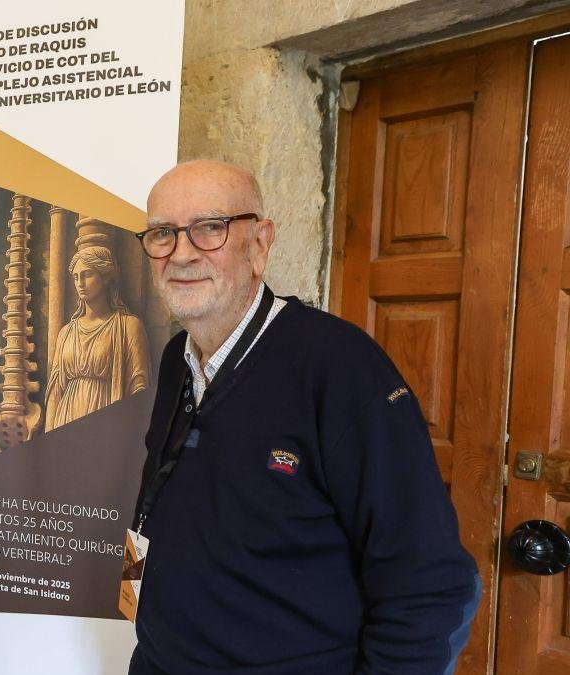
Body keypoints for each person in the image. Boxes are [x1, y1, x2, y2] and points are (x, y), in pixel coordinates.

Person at [129, 160, 479, 675]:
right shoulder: (177, 358)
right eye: (163, 233)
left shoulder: (341, 367)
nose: (181, 253)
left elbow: (429, 582)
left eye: (210, 228)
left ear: (260, 242)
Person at [45, 245, 151, 432]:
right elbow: (55, 393)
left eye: (87, 274)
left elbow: (139, 387)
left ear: (105, 277)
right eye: (76, 277)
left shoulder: (128, 326)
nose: (80, 283)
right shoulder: (66, 332)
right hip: (66, 418)